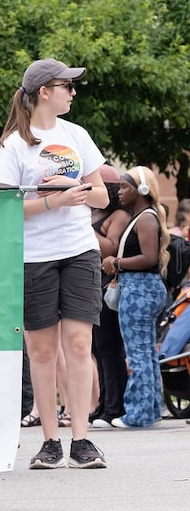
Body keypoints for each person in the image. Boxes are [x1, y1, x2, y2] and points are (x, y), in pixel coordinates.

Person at [0, 58, 109, 469]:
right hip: (33, 257)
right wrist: (51, 201)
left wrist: (73, 188)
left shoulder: (76, 134)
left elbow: (102, 197)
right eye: (67, 86)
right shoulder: (14, 145)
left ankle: (82, 439)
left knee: (79, 345)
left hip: (79, 250)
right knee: (42, 353)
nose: (72, 93)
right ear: (45, 91)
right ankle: (49, 441)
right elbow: (2, 209)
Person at [101, 166, 169, 428]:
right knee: (147, 353)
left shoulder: (145, 218)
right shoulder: (145, 216)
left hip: (139, 290)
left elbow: (149, 258)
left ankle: (139, 414)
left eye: (124, 187)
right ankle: (150, 410)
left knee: (138, 354)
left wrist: (116, 262)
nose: (119, 191)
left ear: (142, 190)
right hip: (145, 288)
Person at [89, 165, 130, 427]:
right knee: (97, 348)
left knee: (110, 348)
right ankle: (104, 404)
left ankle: (115, 407)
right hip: (92, 283)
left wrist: (83, 225)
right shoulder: (95, 213)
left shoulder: (119, 215)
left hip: (110, 285)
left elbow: (111, 248)